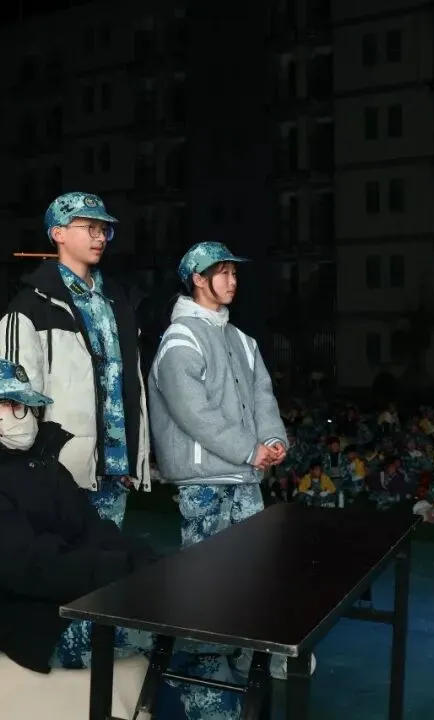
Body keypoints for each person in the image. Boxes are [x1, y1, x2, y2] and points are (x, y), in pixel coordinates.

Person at [0, 357, 244, 719]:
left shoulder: (39, 464)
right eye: (12, 404)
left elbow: (91, 529)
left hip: (86, 599)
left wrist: (148, 567)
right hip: (42, 625)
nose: (27, 417)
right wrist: (124, 572)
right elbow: (30, 566)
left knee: (205, 629)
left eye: (30, 407)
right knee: (204, 627)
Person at [148, 241, 312, 680]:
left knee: (255, 569)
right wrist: (249, 448)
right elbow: (192, 411)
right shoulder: (180, 338)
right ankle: (202, 668)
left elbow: (262, 397)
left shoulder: (243, 340)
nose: (232, 280)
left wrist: (272, 439)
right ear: (197, 279)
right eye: (222, 272)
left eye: (234, 273)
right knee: (206, 576)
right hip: (203, 479)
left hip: (244, 475)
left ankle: (249, 653)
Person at [0, 192, 150, 527]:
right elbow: (12, 395)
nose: (100, 237)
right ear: (58, 233)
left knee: (110, 557)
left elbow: (129, 384)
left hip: (114, 469)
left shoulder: (119, 303)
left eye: (104, 230)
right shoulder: (31, 306)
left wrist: (131, 454)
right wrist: (28, 467)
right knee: (61, 556)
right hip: (59, 473)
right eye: (90, 227)